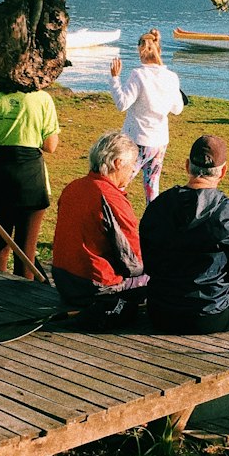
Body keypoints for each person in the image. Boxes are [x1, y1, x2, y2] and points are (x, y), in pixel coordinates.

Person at [139, 135, 229, 341]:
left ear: (187, 166)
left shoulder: (161, 204)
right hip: (208, 312)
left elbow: (147, 258)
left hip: (160, 309)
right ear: (223, 171)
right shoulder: (227, 212)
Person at [51, 131, 148, 325]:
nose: (133, 171)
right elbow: (134, 261)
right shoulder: (111, 198)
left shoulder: (73, 187)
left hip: (64, 279)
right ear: (118, 163)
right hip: (95, 286)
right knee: (161, 277)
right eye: (132, 165)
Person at [0, 84, 59, 278]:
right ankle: (23, 300)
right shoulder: (42, 98)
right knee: (26, 250)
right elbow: (50, 146)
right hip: (31, 176)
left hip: (0, 173)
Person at [109, 28, 184, 204]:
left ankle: (110, 216)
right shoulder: (171, 77)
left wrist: (114, 79)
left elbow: (122, 104)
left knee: (119, 183)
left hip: (138, 140)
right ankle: (155, 224)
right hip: (159, 141)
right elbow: (177, 109)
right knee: (152, 186)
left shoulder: (138, 75)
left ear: (140, 51)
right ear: (159, 50)